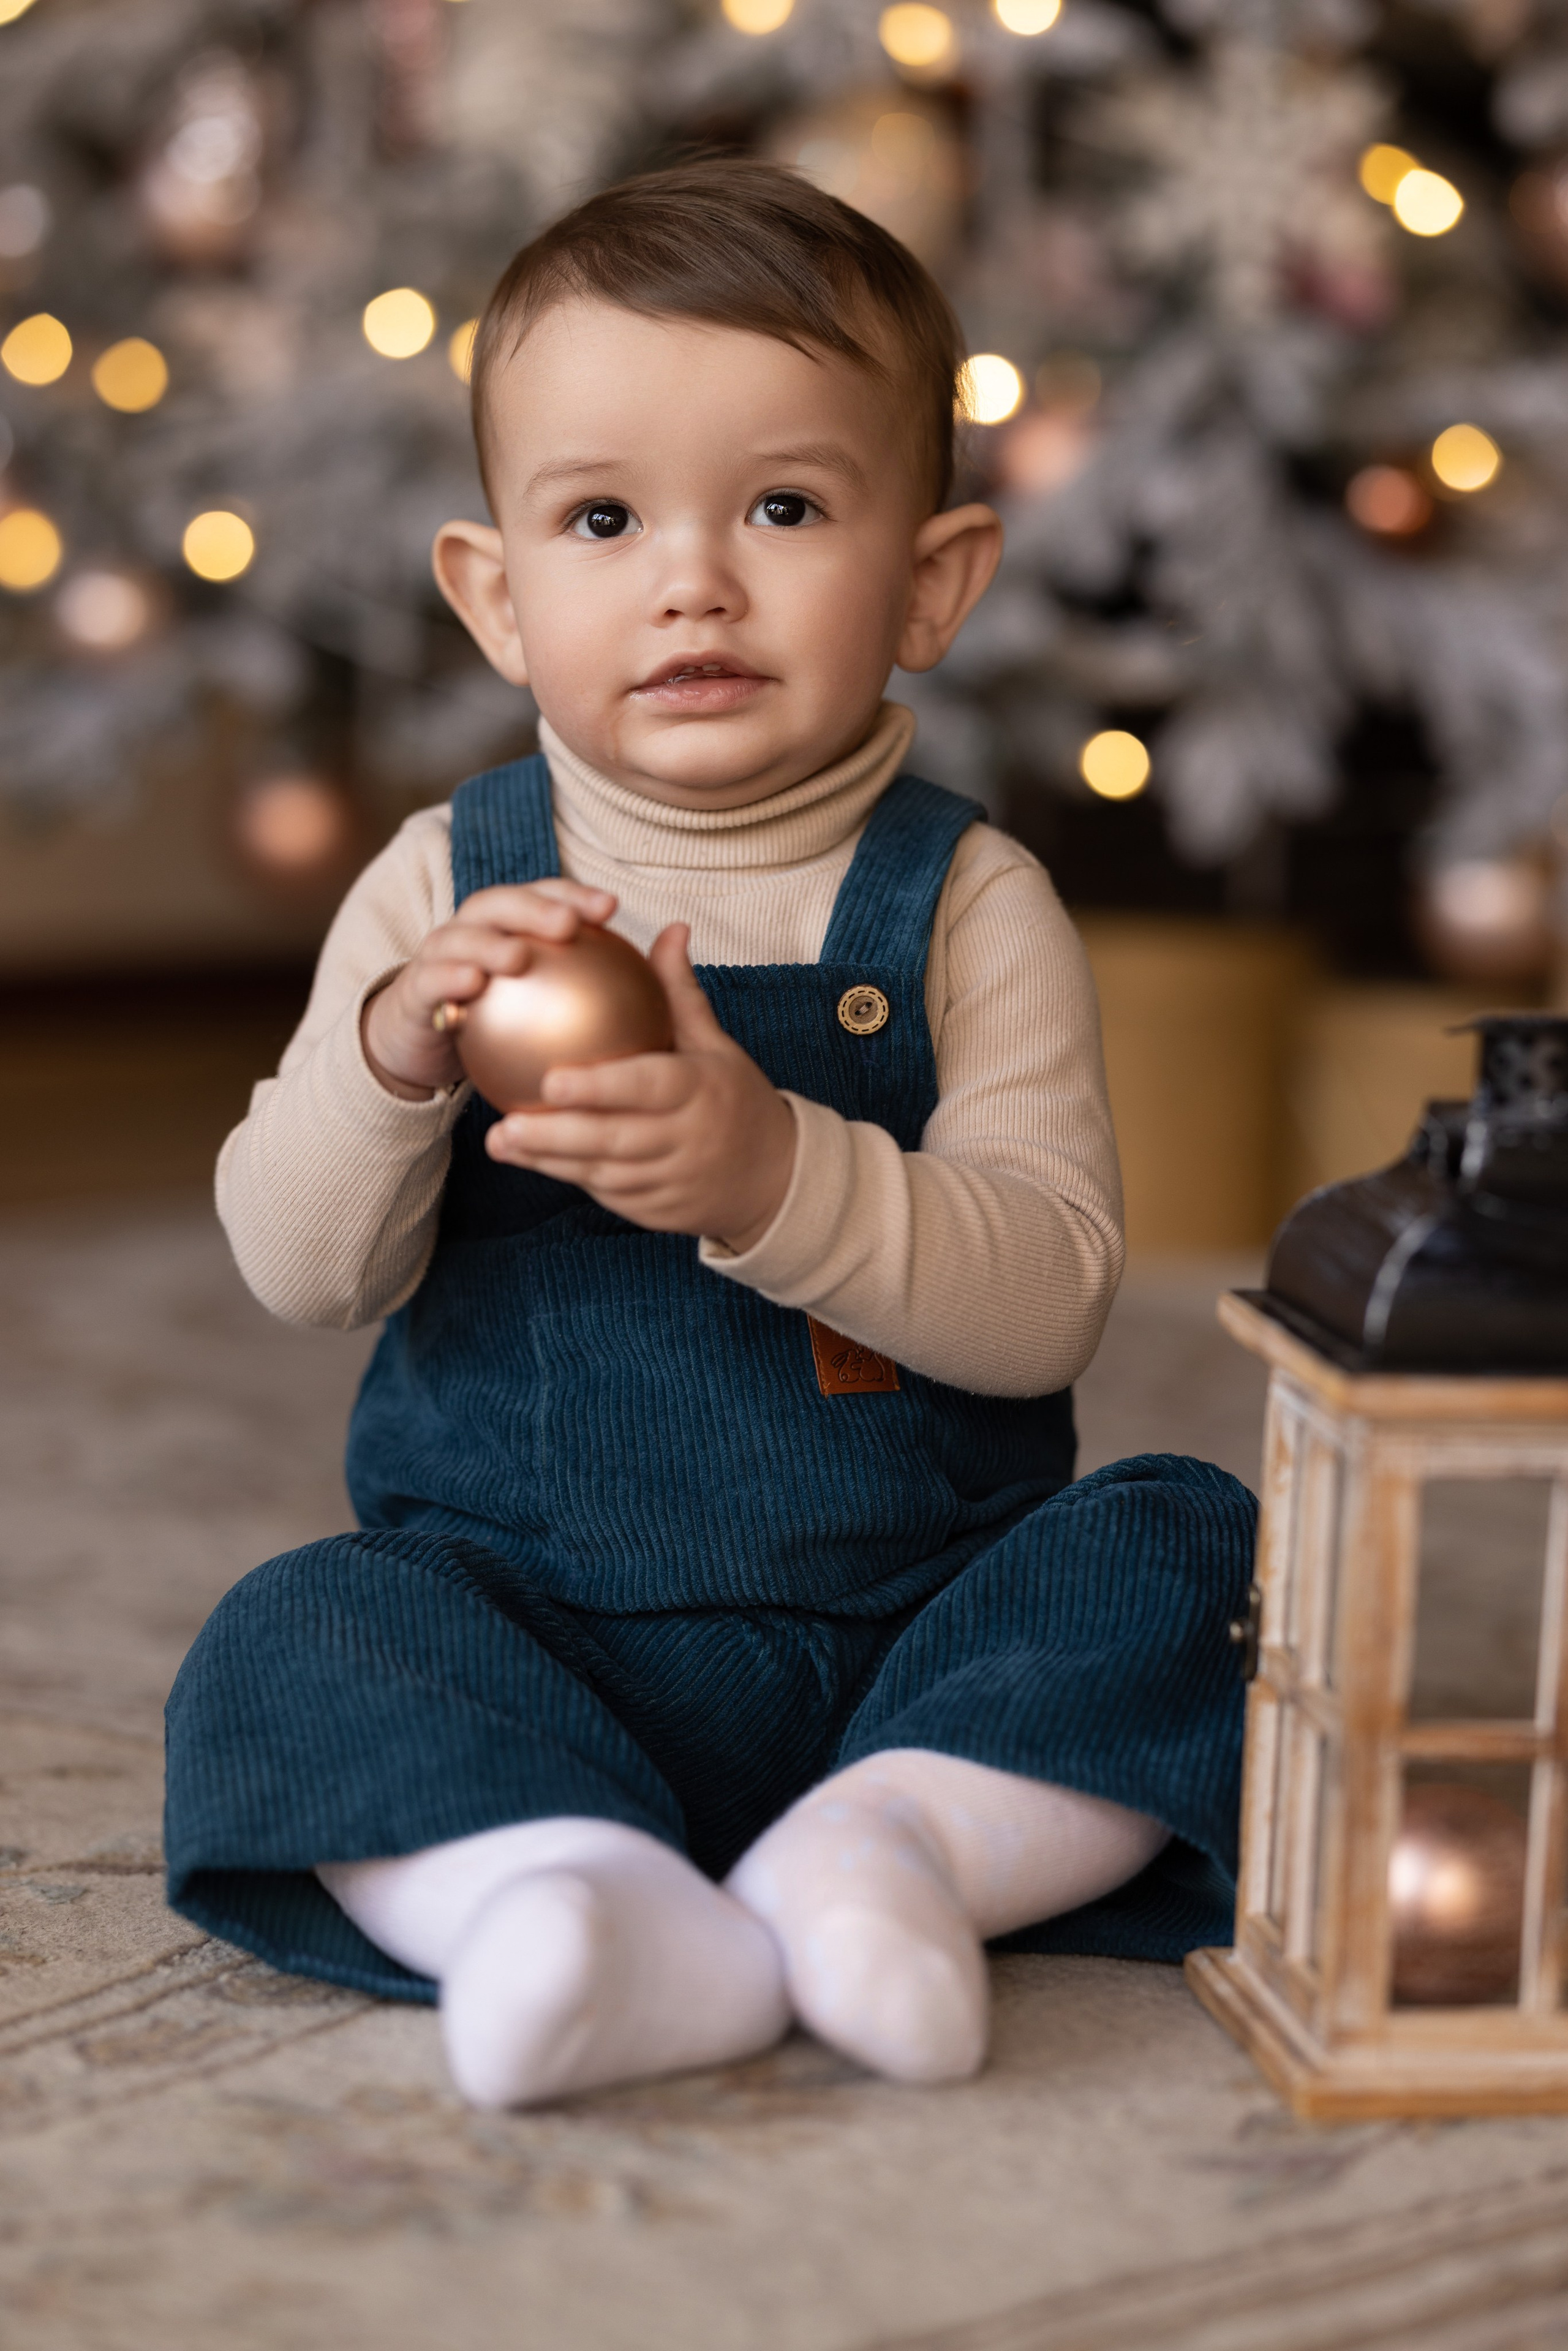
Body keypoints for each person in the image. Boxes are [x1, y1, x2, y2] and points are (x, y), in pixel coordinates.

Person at [165, 159, 1255, 2111]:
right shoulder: (443, 889)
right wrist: (390, 1067)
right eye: (602, 517)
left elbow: (1048, 1308)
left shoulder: (970, 902)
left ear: (932, 580)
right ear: (497, 595)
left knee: (1195, 1558)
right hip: (536, 1629)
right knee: (292, 1639)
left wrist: (774, 1175)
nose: (695, 577)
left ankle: (895, 1849)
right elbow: (299, 1271)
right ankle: (557, 1891)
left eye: (783, 506)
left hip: (924, 1629)